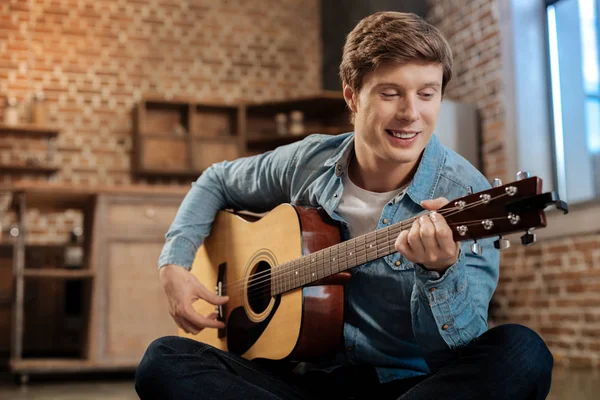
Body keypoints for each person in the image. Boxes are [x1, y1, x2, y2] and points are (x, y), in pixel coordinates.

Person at [135, 11, 553, 400]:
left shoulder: (466, 197)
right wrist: (174, 264)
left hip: (406, 385)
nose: (411, 114)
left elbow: (456, 354)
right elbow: (216, 180)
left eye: (427, 94)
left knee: (522, 352)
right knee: (164, 360)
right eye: (390, 93)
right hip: (298, 379)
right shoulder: (309, 160)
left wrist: (440, 273)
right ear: (352, 97)